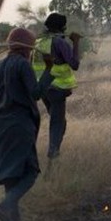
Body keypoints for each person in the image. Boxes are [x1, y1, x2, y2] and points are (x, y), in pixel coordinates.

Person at [0, 28, 54, 221]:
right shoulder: (23, 65)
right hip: (20, 124)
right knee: (30, 171)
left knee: (10, 175)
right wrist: (49, 70)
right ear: (27, 50)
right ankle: (5, 205)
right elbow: (35, 94)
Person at [32, 13, 81, 160]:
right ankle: (53, 155)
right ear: (63, 27)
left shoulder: (38, 42)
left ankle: (54, 151)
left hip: (43, 88)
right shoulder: (60, 43)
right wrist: (76, 42)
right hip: (57, 88)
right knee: (57, 124)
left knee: (59, 122)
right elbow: (75, 64)